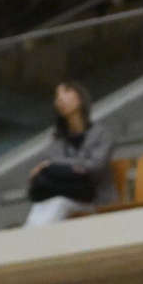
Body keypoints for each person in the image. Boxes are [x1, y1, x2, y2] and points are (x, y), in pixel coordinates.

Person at [24, 81, 115, 226]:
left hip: (94, 199)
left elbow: (96, 167)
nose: (60, 98)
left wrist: (52, 166)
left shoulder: (101, 134)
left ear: (80, 98)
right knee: (42, 205)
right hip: (63, 195)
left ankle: (35, 238)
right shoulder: (56, 141)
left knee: (58, 203)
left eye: (66, 91)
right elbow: (49, 171)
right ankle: (31, 238)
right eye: (56, 96)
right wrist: (62, 168)